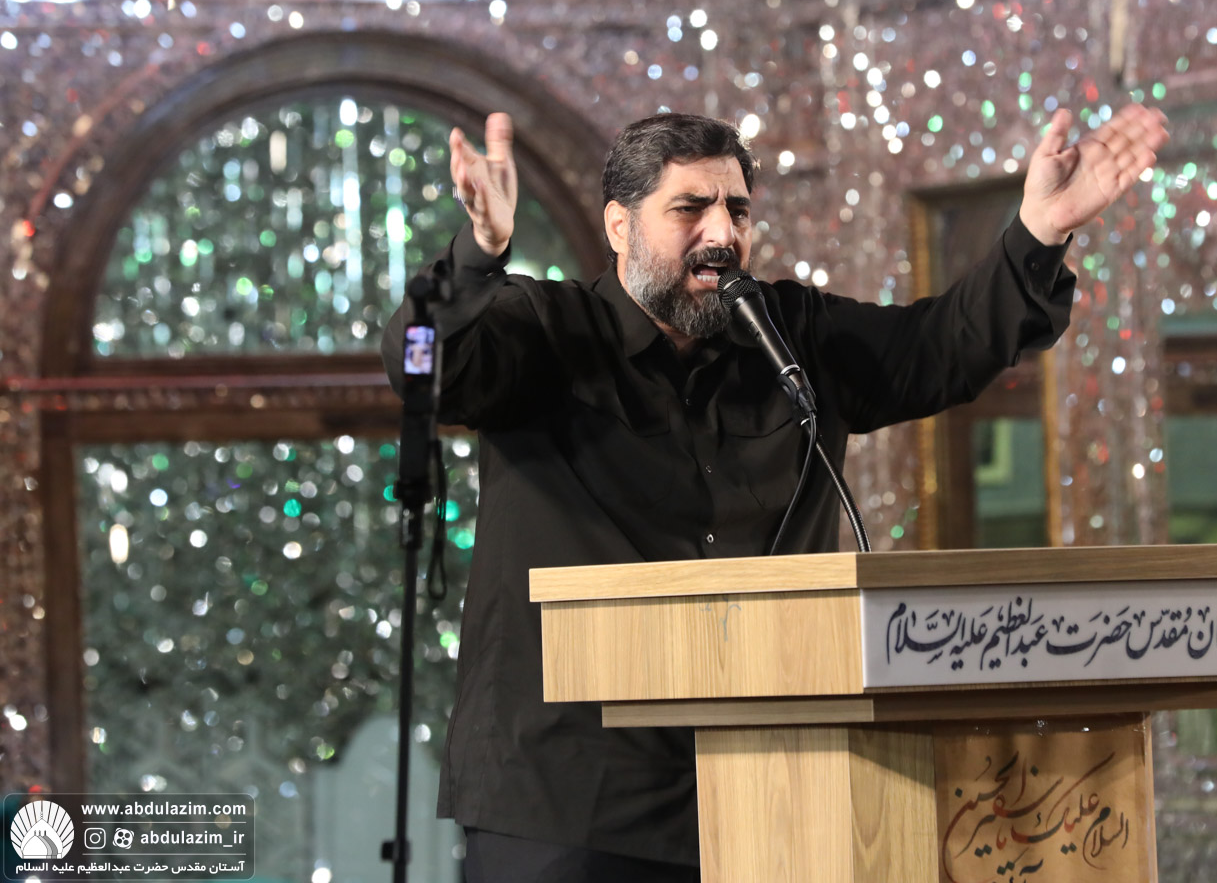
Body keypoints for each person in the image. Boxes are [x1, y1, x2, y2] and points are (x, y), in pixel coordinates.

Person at [381, 104, 1168, 882]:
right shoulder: (542, 330)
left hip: (768, 792)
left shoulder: (789, 334)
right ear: (620, 226)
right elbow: (424, 368)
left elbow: (944, 347)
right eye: (690, 208)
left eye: (737, 210)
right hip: (566, 805)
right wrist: (480, 253)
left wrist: (1038, 234)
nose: (721, 233)